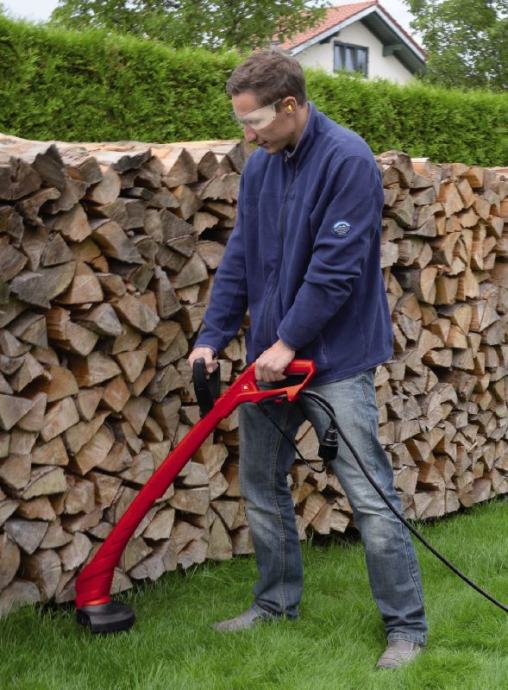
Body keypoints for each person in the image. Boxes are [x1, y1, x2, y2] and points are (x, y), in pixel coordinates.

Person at [187, 49, 427, 670]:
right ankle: (275, 604)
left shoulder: (348, 159)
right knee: (262, 484)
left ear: (290, 105)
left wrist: (289, 342)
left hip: (334, 360)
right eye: (242, 122)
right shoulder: (261, 168)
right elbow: (240, 258)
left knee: (369, 496)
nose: (248, 134)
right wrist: (212, 336)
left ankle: (406, 628)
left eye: (254, 121)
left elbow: (335, 268)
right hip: (268, 359)